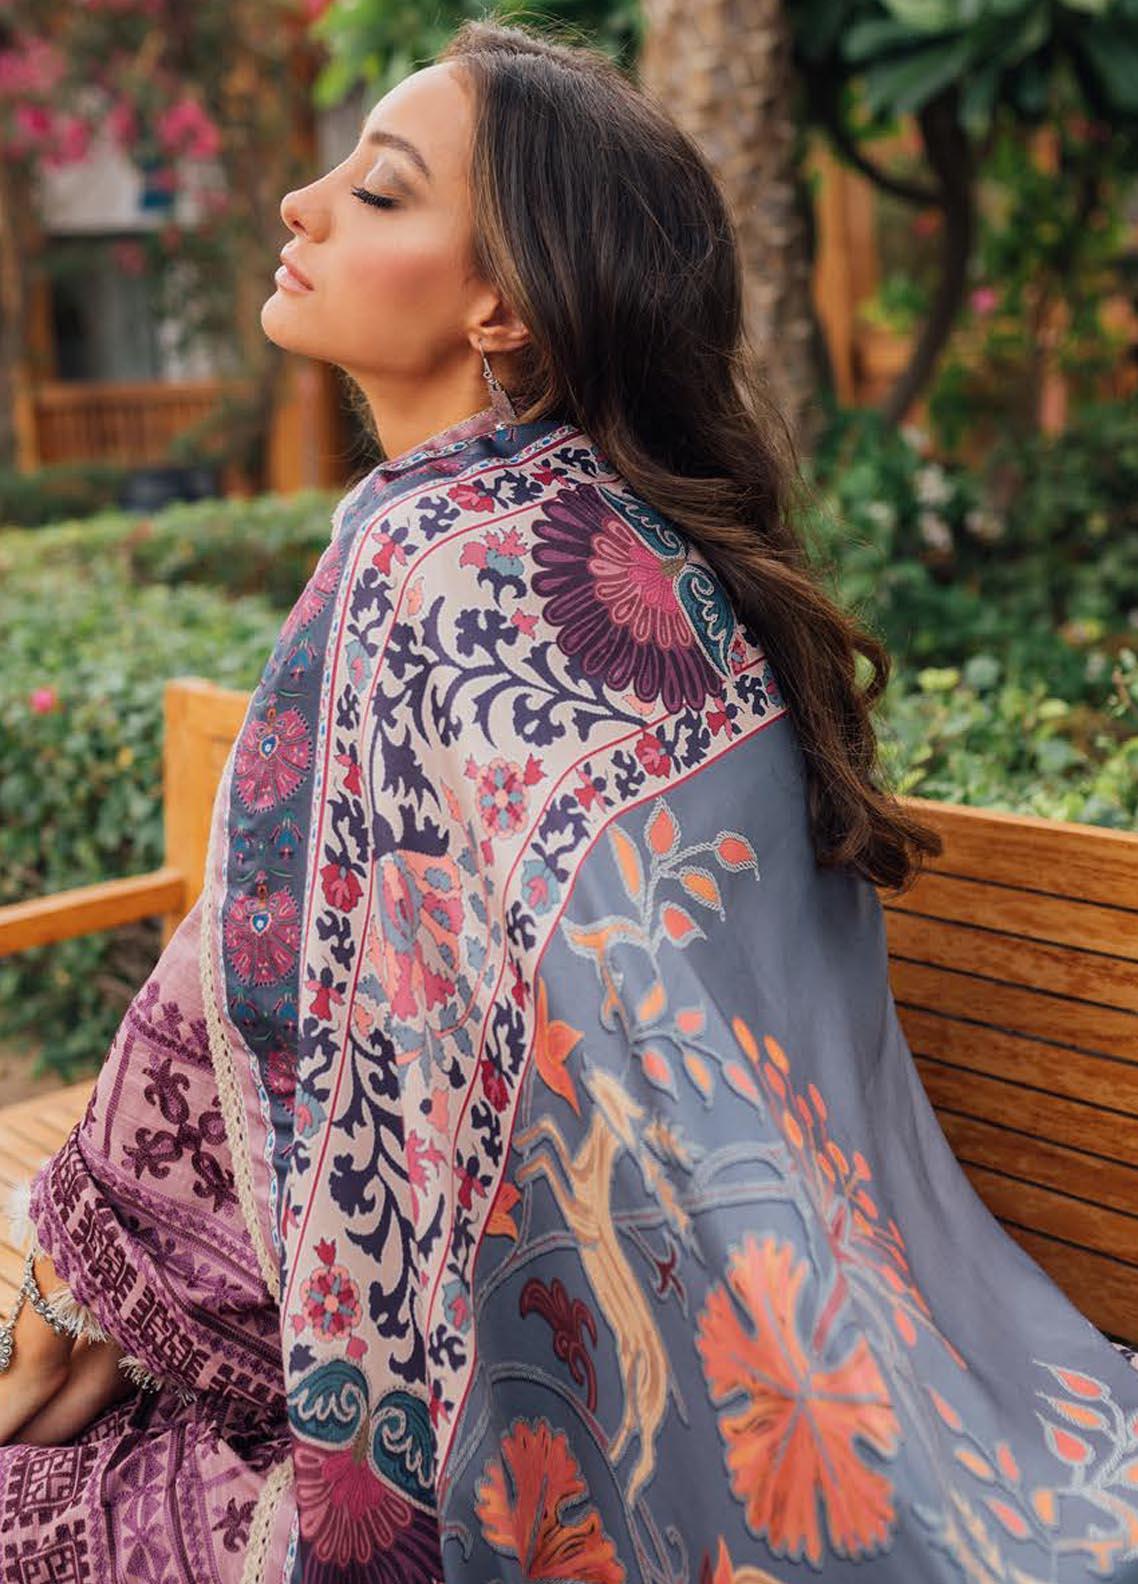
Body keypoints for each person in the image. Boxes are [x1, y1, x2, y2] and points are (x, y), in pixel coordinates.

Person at [2, 17, 1137, 1584]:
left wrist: (79, 1269)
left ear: (503, 305)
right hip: (812, 1347)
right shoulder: (627, 548)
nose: (300, 204)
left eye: (379, 191)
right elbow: (304, 948)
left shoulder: (428, 560)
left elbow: (261, 978)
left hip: (520, 1402)